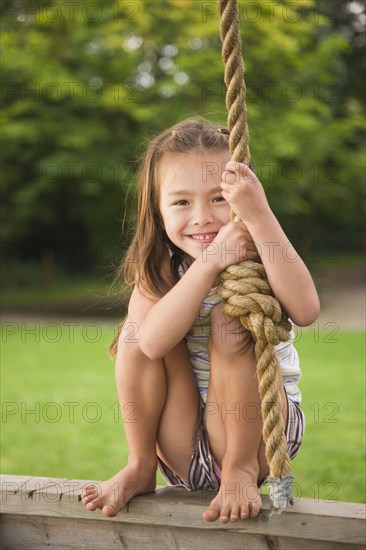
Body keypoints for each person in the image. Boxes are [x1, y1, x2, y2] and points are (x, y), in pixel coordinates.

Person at [81, 118, 320, 523]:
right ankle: (140, 465)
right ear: (158, 210)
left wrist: (259, 217)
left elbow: (307, 309)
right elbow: (151, 346)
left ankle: (239, 470)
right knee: (136, 333)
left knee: (231, 317)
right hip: (183, 445)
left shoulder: (260, 249)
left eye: (218, 198)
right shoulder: (159, 269)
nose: (202, 217)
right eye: (181, 202)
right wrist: (208, 265)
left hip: (262, 432)